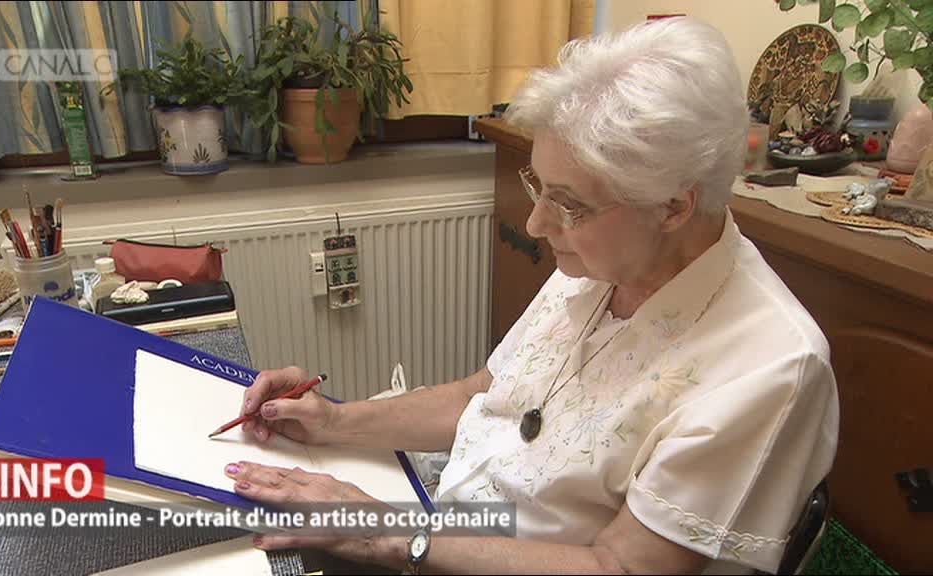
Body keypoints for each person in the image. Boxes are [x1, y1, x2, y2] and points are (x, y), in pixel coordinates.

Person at [223, 17, 838, 574]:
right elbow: (484, 397)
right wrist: (335, 421)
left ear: (674, 207)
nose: (538, 223)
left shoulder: (771, 366)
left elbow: (623, 567)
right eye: (538, 186)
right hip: (448, 527)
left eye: (568, 204)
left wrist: (391, 534)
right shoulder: (606, 257)